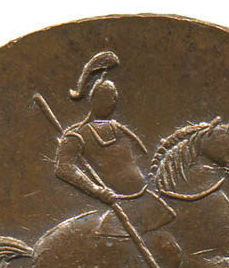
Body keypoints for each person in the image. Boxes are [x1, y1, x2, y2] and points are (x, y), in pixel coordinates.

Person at [55, 52, 174, 237]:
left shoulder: (118, 128)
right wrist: (97, 191)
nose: (112, 102)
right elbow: (64, 168)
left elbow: (139, 158)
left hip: (143, 198)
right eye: (107, 97)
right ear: (94, 100)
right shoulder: (76, 135)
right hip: (116, 205)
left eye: (114, 97)